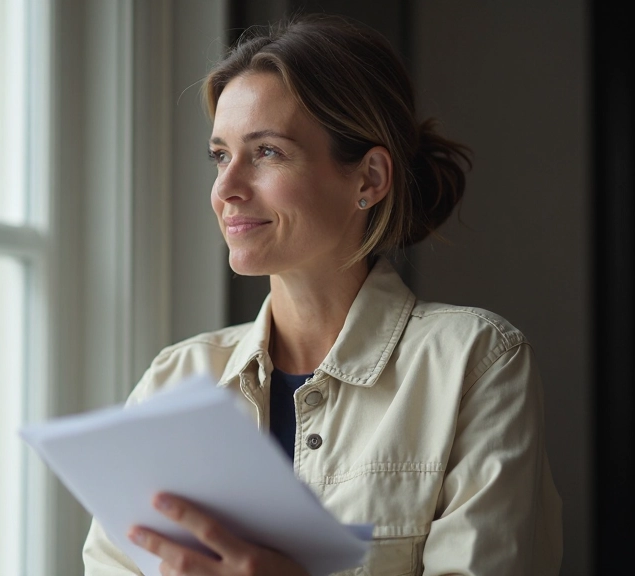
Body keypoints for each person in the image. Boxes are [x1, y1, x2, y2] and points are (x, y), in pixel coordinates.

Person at [83, 15, 562, 576]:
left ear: (369, 179)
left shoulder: (475, 361)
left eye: (266, 152)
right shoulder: (173, 381)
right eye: (220, 154)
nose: (226, 188)